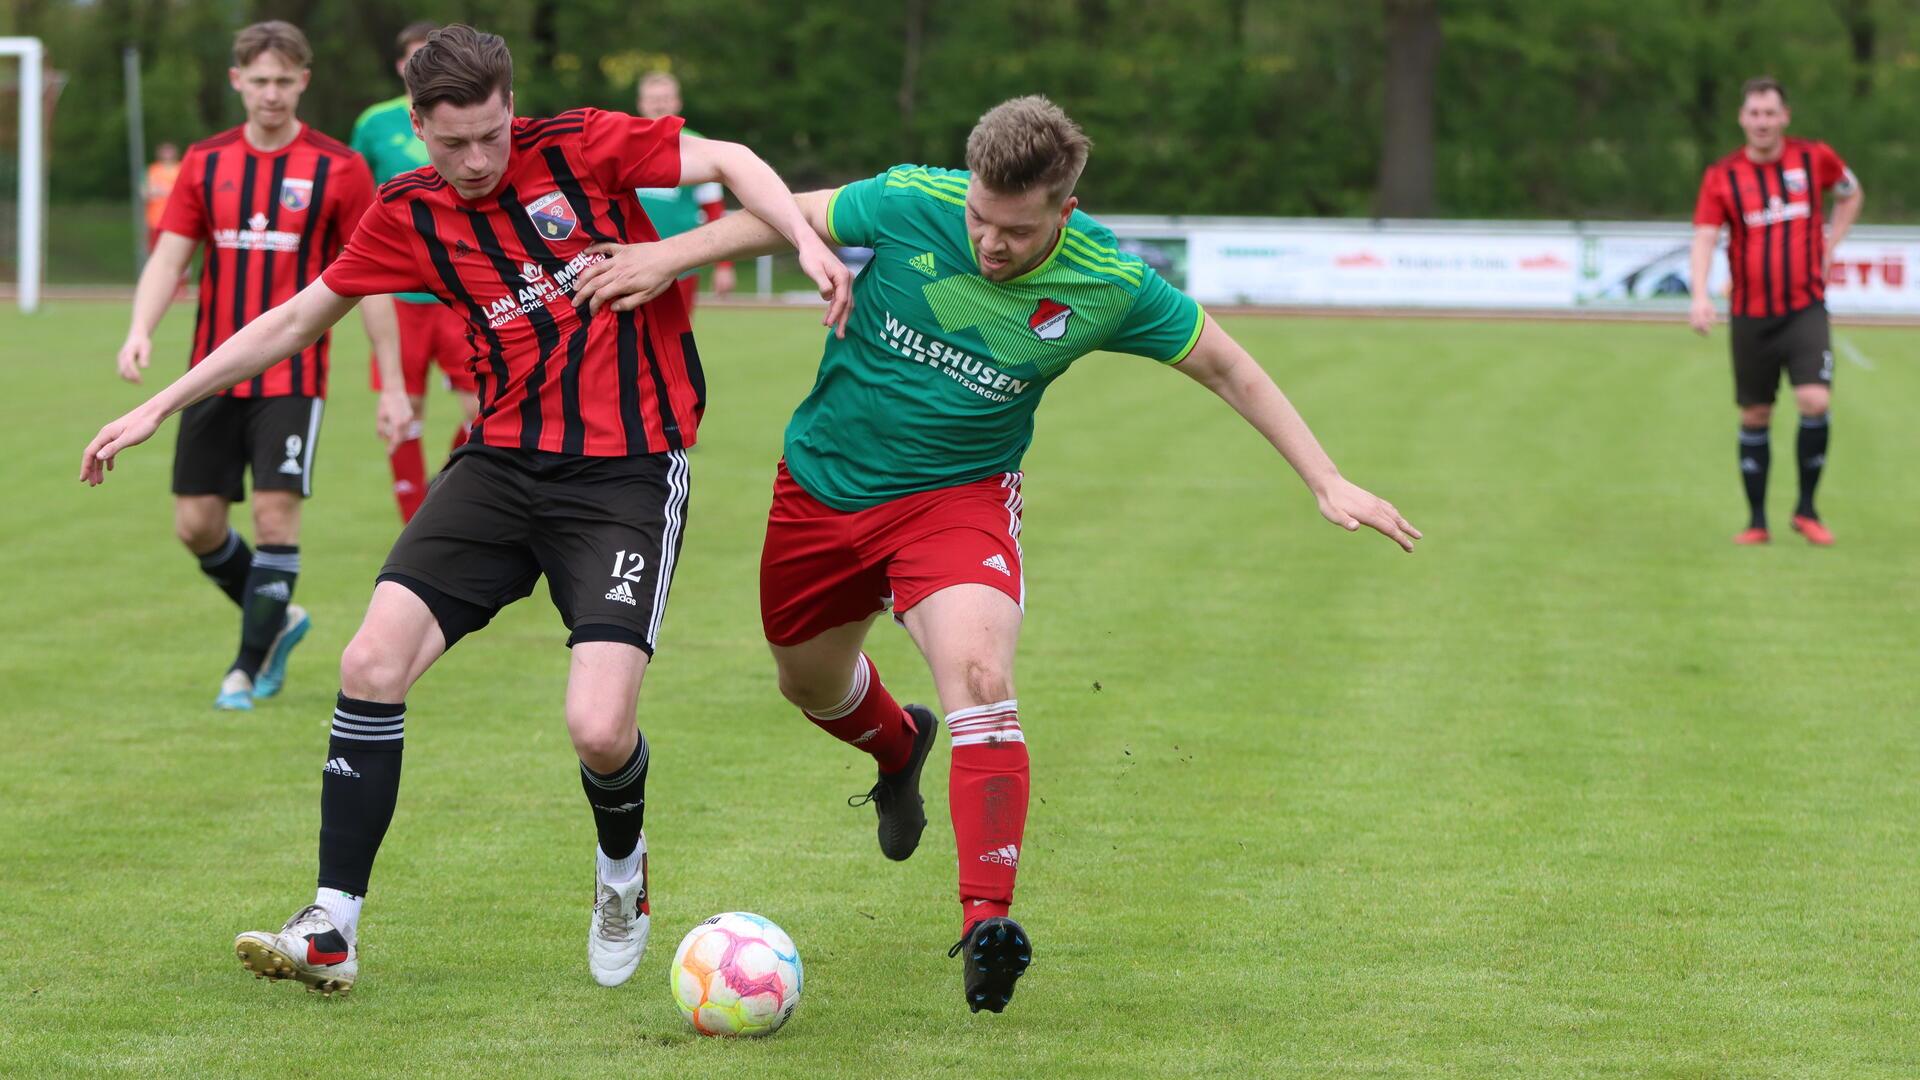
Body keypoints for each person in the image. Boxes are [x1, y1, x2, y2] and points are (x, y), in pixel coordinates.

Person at [574, 95, 1420, 1014]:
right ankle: (898, 752)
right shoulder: (911, 200)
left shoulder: (1111, 282)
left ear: (1064, 207)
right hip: (820, 487)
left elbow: (1226, 366)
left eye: (1015, 230)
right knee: (809, 683)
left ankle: (987, 925)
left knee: (979, 674)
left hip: (958, 499)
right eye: (979, 217)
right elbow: (785, 210)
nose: (989, 242)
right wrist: (667, 254)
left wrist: (1325, 479)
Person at [82, 23, 848, 997]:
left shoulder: (581, 146)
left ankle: (623, 875)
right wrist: (157, 404)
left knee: (599, 730)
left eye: (492, 134)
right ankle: (334, 923)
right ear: (418, 128)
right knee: (368, 660)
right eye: (455, 144)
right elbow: (290, 319)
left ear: (509, 108)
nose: (479, 160)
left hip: (623, 479)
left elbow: (733, 159)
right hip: (496, 468)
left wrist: (801, 245)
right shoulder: (405, 213)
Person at [116, 20, 402, 712]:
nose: (271, 94)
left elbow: (373, 280)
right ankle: (279, 619)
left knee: (276, 518)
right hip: (212, 372)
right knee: (197, 525)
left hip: (293, 379)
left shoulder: (339, 168)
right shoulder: (205, 162)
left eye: (284, 81)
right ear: (236, 82)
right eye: (259, 81)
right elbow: (171, 255)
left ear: (303, 82)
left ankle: (246, 667)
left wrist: (391, 382)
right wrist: (139, 328)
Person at [1689, 76, 1862, 546]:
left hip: (1805, 307)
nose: (1762, 122)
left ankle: (1806, 510)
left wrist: (1831, 242)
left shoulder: (1814, 158)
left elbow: (1850, 192)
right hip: (1750, 314)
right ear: (1742, 119)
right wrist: (1701, 295)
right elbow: (1705, 235)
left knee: (1814, 400)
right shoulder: (1722, 176)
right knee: (1755, 414)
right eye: (1754, 114)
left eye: (1770, 113)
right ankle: (1756, 521)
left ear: (1785, 117)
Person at [352, 20, 482, 522]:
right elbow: (355, 195)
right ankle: (413, 518)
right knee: (403, 411)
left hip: (458, 290)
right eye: (411, 55)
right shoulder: (374, 123)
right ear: (400, 63)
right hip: (396, 295)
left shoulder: (470, 118)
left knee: (482, 410)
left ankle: (441, 487)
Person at [632, 72, 735, 312]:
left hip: (681, 263)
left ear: (677, 102)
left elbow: (714, 210)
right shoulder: (626, 144)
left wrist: (724, 266)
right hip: (631, 260)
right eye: (653, 99)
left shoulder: (698, 146)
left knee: (676, 339)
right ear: (641, 104)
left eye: (666, 98)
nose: (659, 104)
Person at [143, 142, 181, 250]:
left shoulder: (181, 168)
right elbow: (145, 192)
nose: (167, 154)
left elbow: (183, 192)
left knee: (177, 252)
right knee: (155, 251)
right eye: (164, 151)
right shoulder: (152, 169)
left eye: (169, 150)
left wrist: (162, 190)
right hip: (155, 219)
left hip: (176, 220)